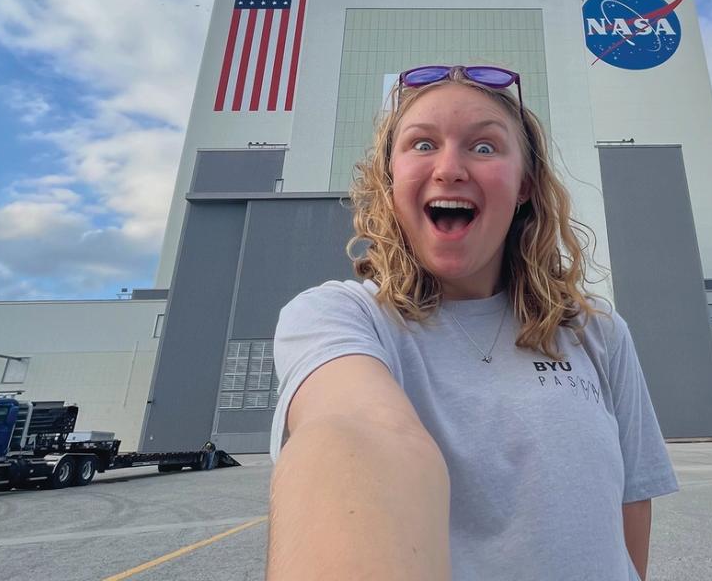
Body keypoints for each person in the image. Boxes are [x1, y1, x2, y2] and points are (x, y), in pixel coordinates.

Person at [267, 65, 678, 580]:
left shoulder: (596, 330)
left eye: (484, 147)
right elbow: (356, 432)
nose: (449, 169)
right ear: (391, 179)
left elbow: (631, 500)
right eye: (421, 145)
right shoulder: (341, 318)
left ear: (525, 184)